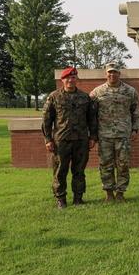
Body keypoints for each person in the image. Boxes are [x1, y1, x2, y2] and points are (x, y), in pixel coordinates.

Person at [42, 67, 97, 209]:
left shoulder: (85, 97)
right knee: (60, 171)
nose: (71, 80)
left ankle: (78, 198)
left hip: (81, 140)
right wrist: (48, 139)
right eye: (68, 78)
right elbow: (47, 120)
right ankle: (61, 199)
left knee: (79, 171)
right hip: (61, 141)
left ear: (76, 79)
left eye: (73, 77)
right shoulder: (54, 97)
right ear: (62, 80)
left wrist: (93, 137)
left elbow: (92, 119)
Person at [90, 62, 139, 202]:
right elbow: (91, 115)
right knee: (106, 164)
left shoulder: (130, 91)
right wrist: (93, 135)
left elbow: (136, 112)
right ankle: (109, 193)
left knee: (123, 164)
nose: (112, 75)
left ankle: (120, 193)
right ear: (106, 74)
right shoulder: (97, 92)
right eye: (109, 72)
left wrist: (135, 129)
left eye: (115, 72)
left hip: (123, 135)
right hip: (104, 135)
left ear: (119, 73)